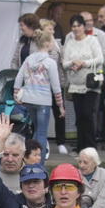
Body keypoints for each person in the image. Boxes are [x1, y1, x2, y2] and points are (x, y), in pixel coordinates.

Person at [14, 30, 64, 162]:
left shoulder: (28, 60)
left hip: (29, 99)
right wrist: (60, 105)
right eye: (52, 41)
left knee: (36, 129)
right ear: (47, 44)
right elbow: (56, 86)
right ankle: (39, 162)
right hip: (43, 101)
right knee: (41, 132)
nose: (53, 44)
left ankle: (30, 159)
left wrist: (16, 94)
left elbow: (18, 78)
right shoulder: (50, 62)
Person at [62, 14, 104, 153]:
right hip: (75, 84)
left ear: (83, 26)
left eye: (78, 26)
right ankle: (81, 145)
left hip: (90, 83)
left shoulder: (92, 40)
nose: (76, 29)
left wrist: (84, 63)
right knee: (79, 115)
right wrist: (73, 62)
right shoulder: (70, 43)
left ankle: (91, 144)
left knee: (87, 113)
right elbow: (65, 64)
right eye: (73, 26)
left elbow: (100, 59)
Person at [40, 18, 68, 156]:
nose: (52, 31)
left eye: (53, 29)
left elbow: (63, 58)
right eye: (49, 29)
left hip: (57, 82)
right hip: (43, 85)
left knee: (60, 113)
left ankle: (61, 142)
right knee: (43, 114)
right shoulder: (38, 44)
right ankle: (42, 142)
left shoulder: (57, 43)